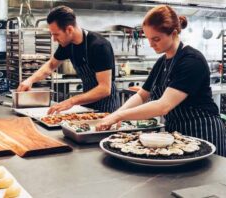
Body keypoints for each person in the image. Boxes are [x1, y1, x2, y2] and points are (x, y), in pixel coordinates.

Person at [96, 5, 226, 156]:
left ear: (174, 33)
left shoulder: (191, 60)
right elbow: (142, 95)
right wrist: (116, 114)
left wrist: (119, 116)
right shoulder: (162, 62)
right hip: (177, 134)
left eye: (156, 39)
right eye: (149, 38)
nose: (151, 44)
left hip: (203, 131)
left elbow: (163, 106)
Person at [17, 6, 119, 113]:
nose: (54, 39)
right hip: (87, 104)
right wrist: (30, 80)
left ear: (69, 29)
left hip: (106, 107)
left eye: (56, 34)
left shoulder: (99, 46)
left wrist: (71, 101)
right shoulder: (67, 44)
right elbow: (51, 65)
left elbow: (104, 89)